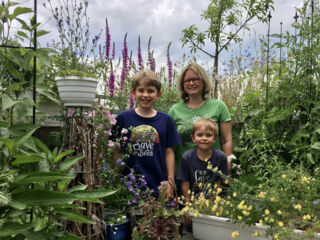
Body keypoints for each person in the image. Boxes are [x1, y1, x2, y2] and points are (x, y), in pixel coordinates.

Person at [114, 70, 181, 200]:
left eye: (150, 91)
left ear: (158, 94)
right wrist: (115, 178)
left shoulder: (166, 120)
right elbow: (117, 150)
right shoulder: (123, 118)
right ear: (133, 93)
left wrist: (171, 182)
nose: (145, 95)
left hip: (159, 185)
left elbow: (169, 152)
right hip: (128, 185)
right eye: (141, 90)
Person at [168, 62, 233, 179]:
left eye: (195, 79)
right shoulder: (175, 110)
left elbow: (226, 140)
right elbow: (170, 147)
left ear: (203, 81)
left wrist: (226, 169)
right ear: (182, 85)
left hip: (213, 172)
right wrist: (170, 177)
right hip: (184, 174)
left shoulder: (218, 106)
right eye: (187, 80)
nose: (191, 83)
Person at [176, 118, 229, 226]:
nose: (204, 138)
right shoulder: (187, 158)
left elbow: (220, 184)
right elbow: (185, 184)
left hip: (213, 202)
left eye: (208, 135)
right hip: (192, 202)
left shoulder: (220, 157)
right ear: (193, 138)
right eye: (200, 135)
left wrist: (212, 205)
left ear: (215, 138)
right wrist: (188, 207)